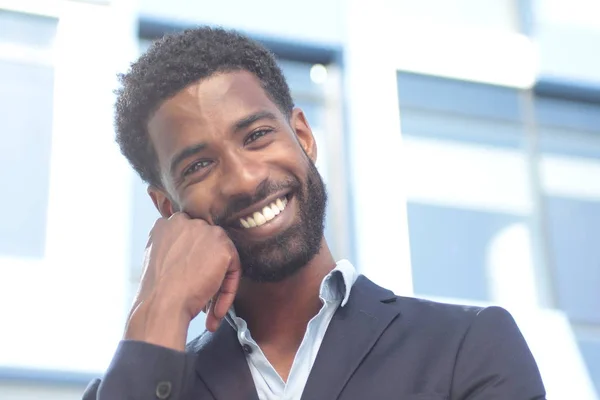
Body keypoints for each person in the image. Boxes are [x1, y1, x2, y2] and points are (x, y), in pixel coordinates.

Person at [82, 27, 546, 400]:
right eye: (199, 165)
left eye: (257, 135)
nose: (244, 179)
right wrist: (162, 306)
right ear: (167, 208)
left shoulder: (468, 347)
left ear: (302, 136)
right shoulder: (134, 385)